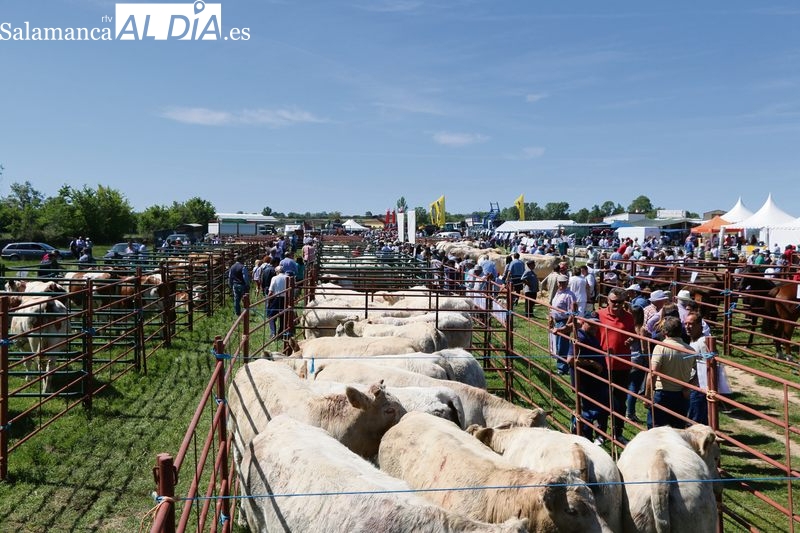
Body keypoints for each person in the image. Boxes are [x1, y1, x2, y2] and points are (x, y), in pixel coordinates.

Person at [597, 286, 635, 444]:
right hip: (603, 365)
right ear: (608, 301)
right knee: (602, 399)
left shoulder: (628, 317)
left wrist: (632, 339)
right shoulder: (599, 315)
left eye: (620, 302)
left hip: (623, 365)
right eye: (614, 302)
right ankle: (601, 433)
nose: (617, 305)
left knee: (620, 401)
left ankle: (617, 432)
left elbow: (633, 335)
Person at [645, 315, 695, 429]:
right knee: (678, 431)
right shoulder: (691, 350)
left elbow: (653, 373)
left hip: (662, 394)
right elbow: (700, 373)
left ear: (664, 332)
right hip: (681, 396)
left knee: (656, 430)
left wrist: (647, 396)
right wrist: (689, 386)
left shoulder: (660, 348)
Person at [567, 313, 609, 445]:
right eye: (591, 324)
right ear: (582, 322)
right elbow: (571, 360)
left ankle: (588, 435)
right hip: (586, 381)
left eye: (597, 324)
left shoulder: (590, 336)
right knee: (589, 409)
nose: (595, 327)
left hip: (593, 380)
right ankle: (583, 436)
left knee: (595, 407)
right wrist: (592, 363)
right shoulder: (579, 337)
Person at [549, 275, 577, 375]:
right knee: (558, 344)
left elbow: (572, 312)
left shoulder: (569, 295)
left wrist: (568, 325)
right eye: (560, 282)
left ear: (567, 282)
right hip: (557, 320)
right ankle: (561, 364)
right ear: (557, 283)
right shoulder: (558, 292)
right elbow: (553, 307)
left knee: (562, 345)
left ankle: (562, 367)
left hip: (564, 321)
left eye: (563, 282)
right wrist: (551, 317)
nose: (561, 284)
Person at [267, 265, 289, 337]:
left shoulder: (274, 278)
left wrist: (268, 299)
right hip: (286, 298)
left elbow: (270, 291)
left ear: (277, 272)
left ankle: (273, 333)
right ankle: (281, 332)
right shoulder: (288, 277)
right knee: (283, 315)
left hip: (276, 298)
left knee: (271, 316)